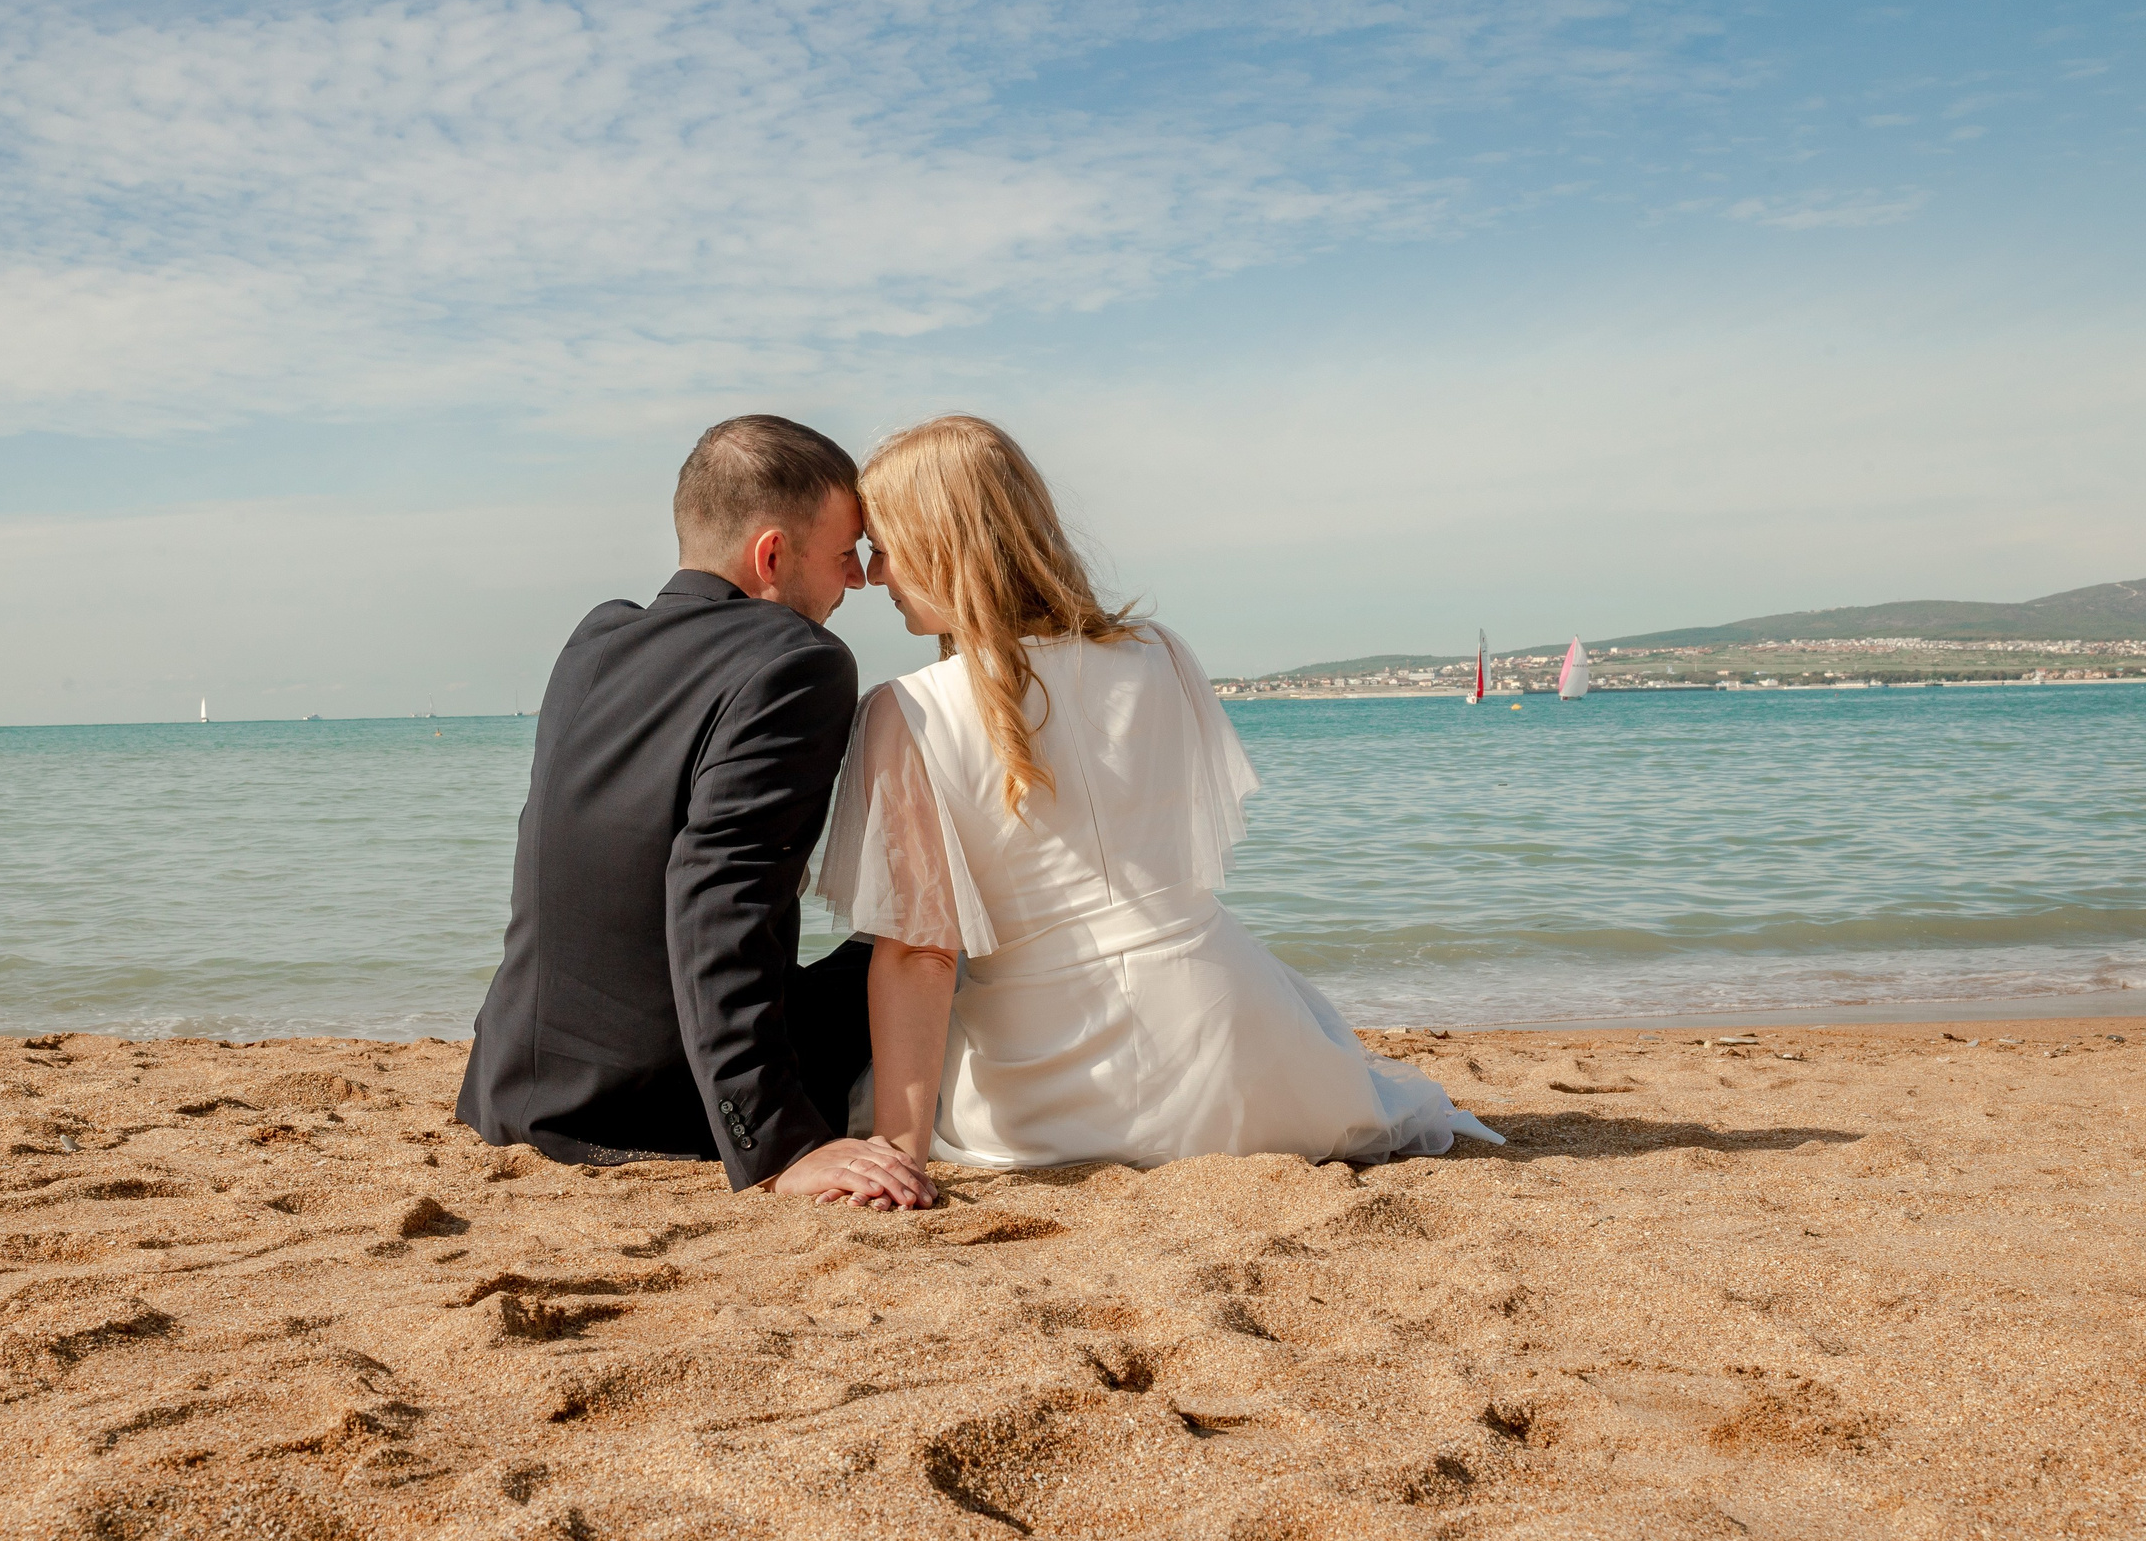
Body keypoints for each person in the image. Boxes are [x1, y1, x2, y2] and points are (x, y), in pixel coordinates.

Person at [817, 414, 1503, 1171]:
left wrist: (898, 1146)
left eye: (883, 548)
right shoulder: (1163, 654)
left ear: (939, 546)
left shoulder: (907, 709)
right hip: (1243, 1053)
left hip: (1047, 1088)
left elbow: (920, 953)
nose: (872, 574)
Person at [458, 415, 937, 1209]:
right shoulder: (799, 660)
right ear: (772, 554)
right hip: (653, 1103)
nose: (857, 579)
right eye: (845, 553)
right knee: (935, 948)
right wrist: (780, 1145)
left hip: (512, 1085)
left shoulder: (596, 637)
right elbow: (719, 898)